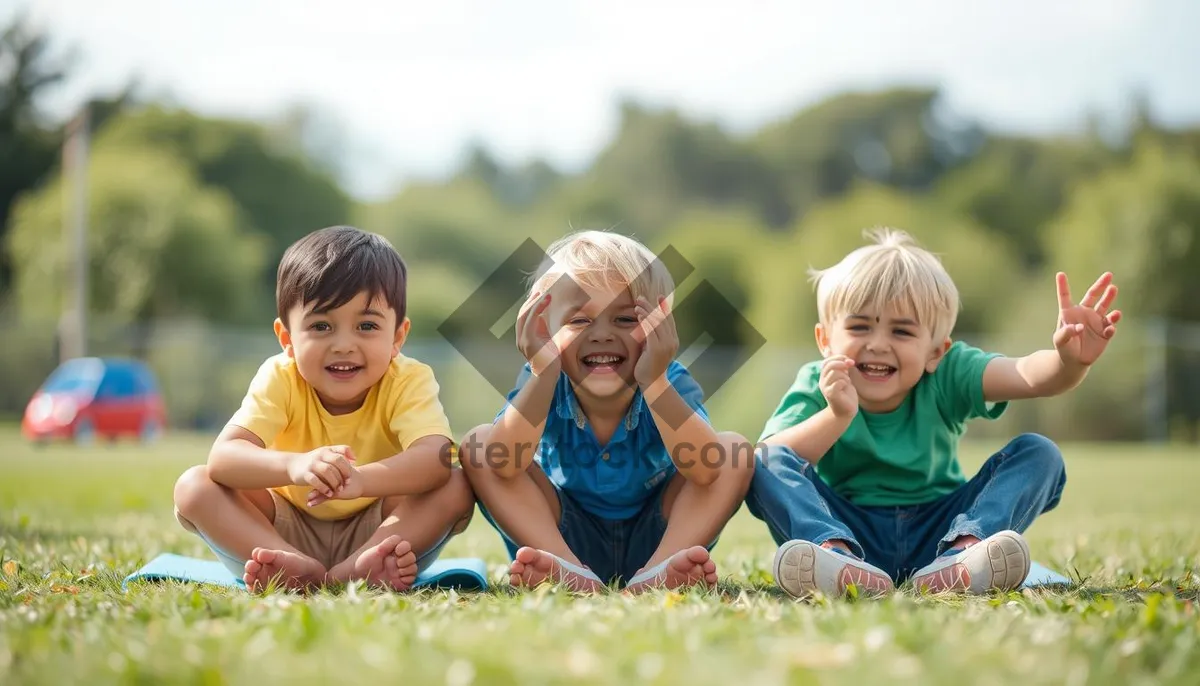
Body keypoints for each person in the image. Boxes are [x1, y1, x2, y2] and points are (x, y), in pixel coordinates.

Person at [746, 228, 1122, 597]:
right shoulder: (818, 382)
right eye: (860, 326)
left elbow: (1027, 376)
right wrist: (836, 415)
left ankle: (965, 555)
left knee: (1039, 453)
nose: (878, 344)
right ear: (825, 340)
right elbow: (771, 457)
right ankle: (834, 560)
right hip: (847, 529)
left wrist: (1067, 362)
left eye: (902, 332)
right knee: (761, 460)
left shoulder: (949, 372)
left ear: (935, 352)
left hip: (941, 530)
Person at [172, 226, 474, 592]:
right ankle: (288, 563)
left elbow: (435, 459)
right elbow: (224, 458)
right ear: (287, 339)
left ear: (397, 336)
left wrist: (361, 481)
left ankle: (358, 567)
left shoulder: (408, 379)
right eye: (321, 326)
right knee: (194, 485)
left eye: (366, 325)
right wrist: (294, 465)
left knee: (456, 482)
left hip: (380, 528)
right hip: (281, 525)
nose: (343, 345)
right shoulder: (280, 377)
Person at [458, 229, 755, 593]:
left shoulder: (669, 379)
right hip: (563, 537)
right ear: (544, 328)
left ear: (660, 326)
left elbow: (707, 470)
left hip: (660, 537)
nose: (601, 334)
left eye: (626, 320)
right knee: (480, 447)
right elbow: (502, 464)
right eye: (579, 320)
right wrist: (544, 373)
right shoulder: (543, 378)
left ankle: (657, 573)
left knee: (731, 453)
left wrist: (656, 383)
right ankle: (567, 571)